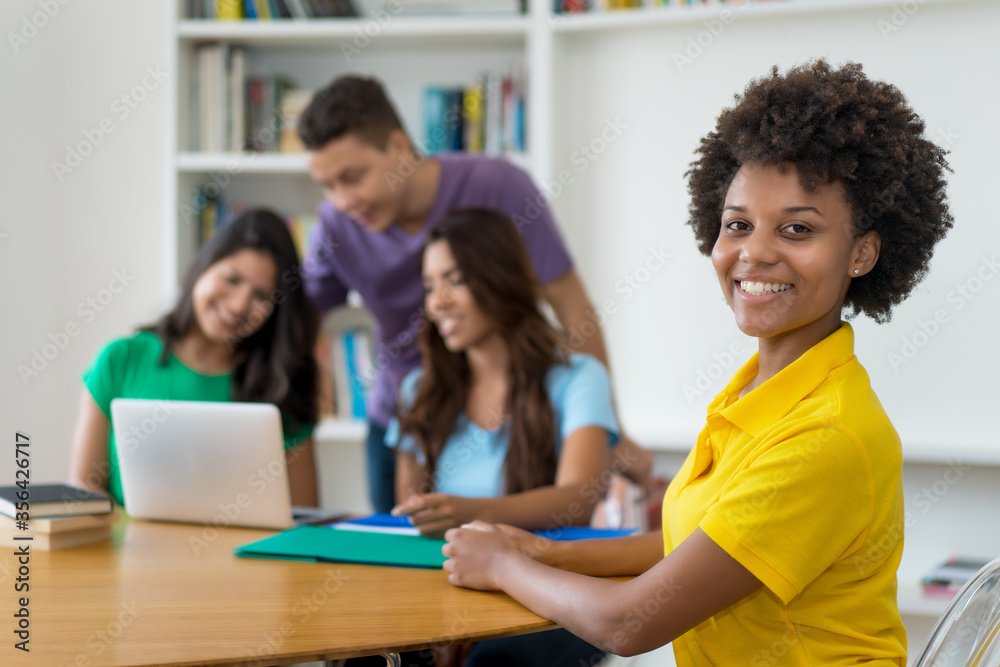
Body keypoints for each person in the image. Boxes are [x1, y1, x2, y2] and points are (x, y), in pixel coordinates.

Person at [441, 60, 954, 665]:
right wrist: (547, 553)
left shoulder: (826, 435)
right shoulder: (757, 392)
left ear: (861, 253)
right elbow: (695, 543)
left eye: (796, 229)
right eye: (737, 225)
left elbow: (628, 625)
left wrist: (502, 565)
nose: (754, 252)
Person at [296, 75, 653, 514]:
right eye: (328, 186)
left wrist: (608, 425)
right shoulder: (335, 225)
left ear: (398, 147)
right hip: (413, 417)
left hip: (517, 413)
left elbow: (570, 304)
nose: (342, 201)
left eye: (352, 178)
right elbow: (298, 321)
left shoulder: (498, 187)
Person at [388, 207, 615, 666]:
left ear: (500, 277)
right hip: (447, 582)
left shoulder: (579, 377)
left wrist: (471, 512)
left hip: (551, 590)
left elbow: (578, 499)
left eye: (455, 280)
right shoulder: (419, 390)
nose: (438, 302)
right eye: (429, 286)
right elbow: (409, 516)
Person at [69, 209, 322, 508]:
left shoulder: (284, 382)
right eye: (232, 279)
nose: (239, 305)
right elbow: (84, 489)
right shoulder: (121, 359)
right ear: (204, 266)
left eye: (261, 296)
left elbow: (304, 513)